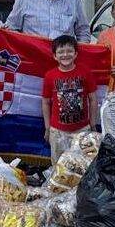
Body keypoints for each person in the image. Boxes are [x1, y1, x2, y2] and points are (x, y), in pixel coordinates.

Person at [41, 35, 98, 164]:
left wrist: (93, 124)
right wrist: (47, 128)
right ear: (55, 56)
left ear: (76, 54)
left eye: (69, 51)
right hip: (57, 132)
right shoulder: (50, 76)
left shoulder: (85, 72)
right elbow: (45, 102)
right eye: (60, 52)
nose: (65, 55)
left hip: (82, 130)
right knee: (58, 166)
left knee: (83, 164)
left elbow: (93, 99)